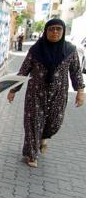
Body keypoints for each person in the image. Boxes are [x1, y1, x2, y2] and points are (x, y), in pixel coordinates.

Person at [7, 18, 85, 168]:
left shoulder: (70, 50)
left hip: (59, 95)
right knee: (33, 123)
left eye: (58, 29)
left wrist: (80, 91)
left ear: (63, 32)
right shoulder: (36, 50)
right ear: (46, 31)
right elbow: (23, 71)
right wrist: (13, 90)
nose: (55, 32)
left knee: (55, 123)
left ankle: (43, 138)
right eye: (51, 29)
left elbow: (76, 72)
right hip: (35, 94)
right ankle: (31, 154)